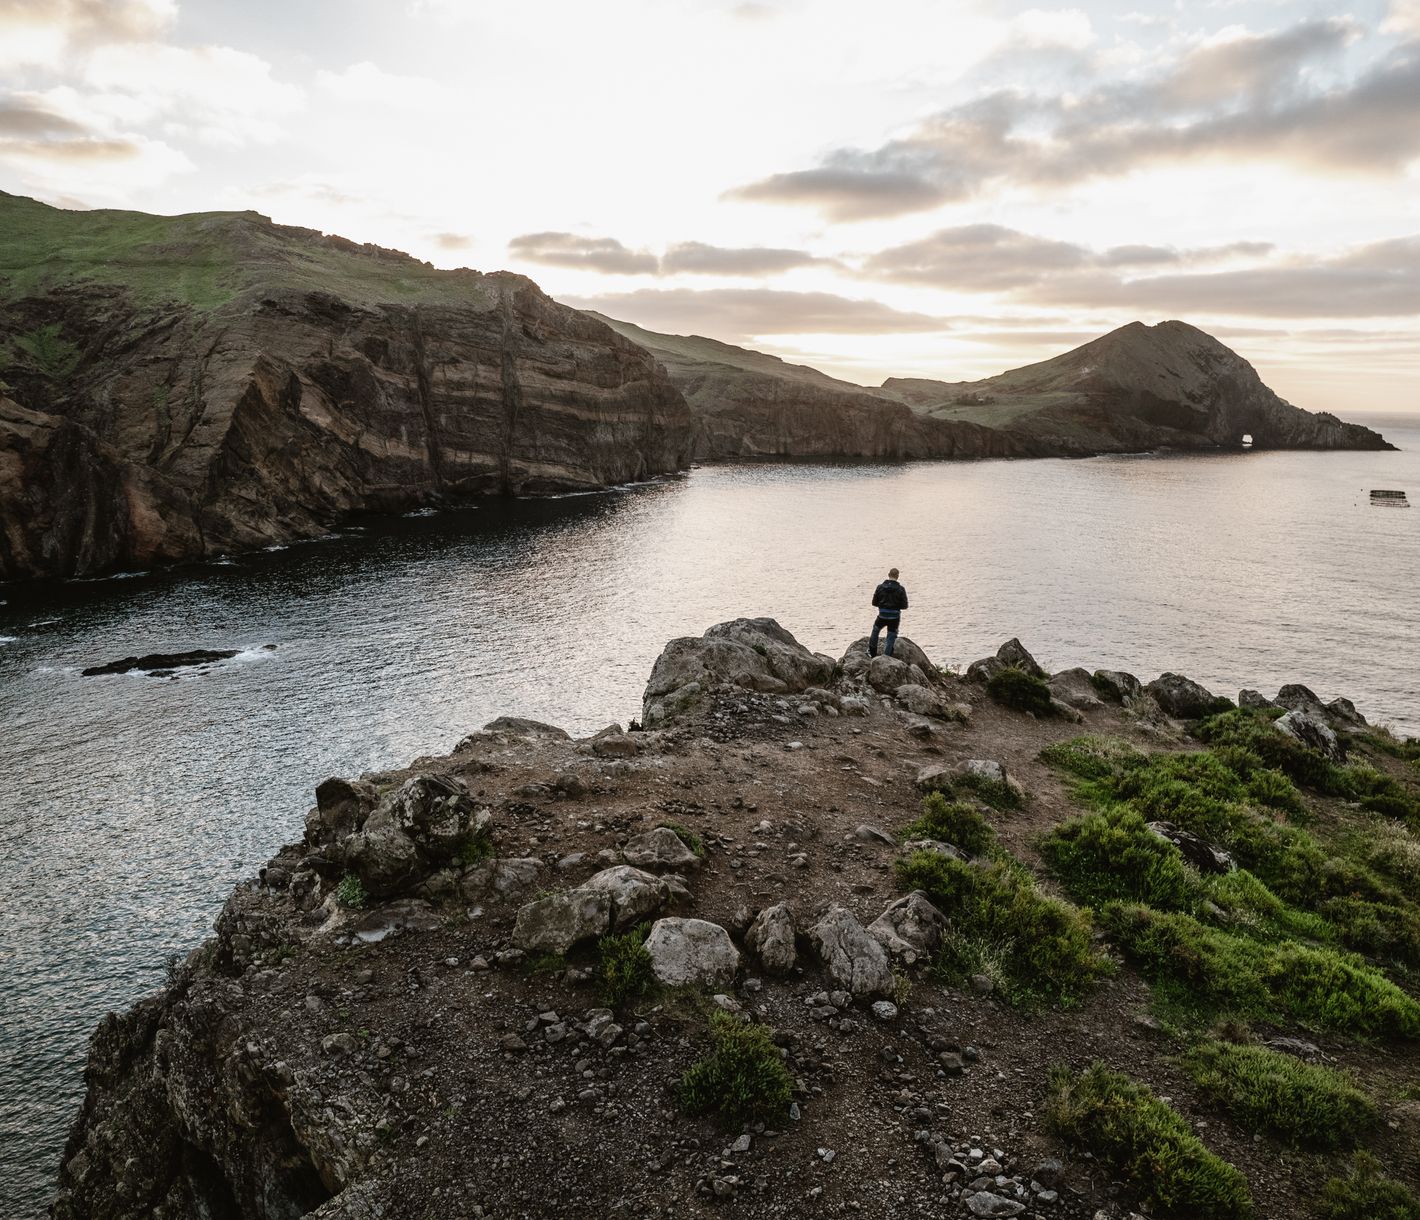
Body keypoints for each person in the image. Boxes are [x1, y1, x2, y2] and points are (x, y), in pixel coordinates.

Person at [869, 567, 909, 658]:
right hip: (894, 617)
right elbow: (904, 606)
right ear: (897, 576)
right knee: (891, 636)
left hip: (882, 615)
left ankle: (872, 652)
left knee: (875, 630)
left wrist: (882, 606)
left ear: (888, 575)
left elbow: (874, 603)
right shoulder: (901, 589)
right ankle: (886, 657)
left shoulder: (880, 587)